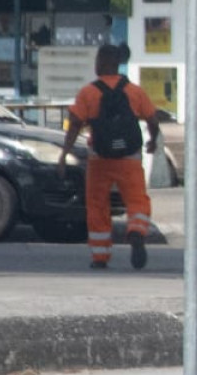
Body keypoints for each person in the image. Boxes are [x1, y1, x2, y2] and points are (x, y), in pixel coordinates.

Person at [59, 44, 162, 269]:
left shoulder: (89, 92)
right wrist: (153, 141)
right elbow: (153, 121)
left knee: (97, 205)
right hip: (130, 158)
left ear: (103, 63)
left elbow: (75, 124)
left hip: (100, 159)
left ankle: (100, 256)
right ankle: (136, 231)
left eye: (97, 59)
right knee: (137, 200)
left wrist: (64, 155)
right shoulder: (134, 91)